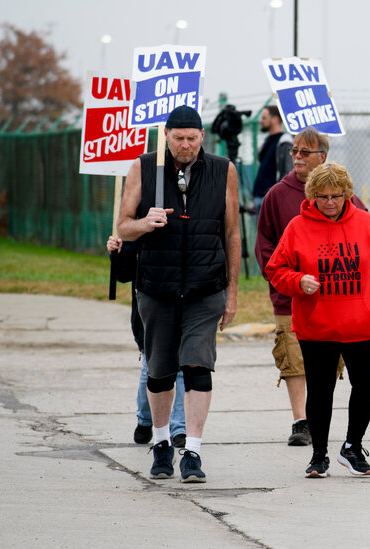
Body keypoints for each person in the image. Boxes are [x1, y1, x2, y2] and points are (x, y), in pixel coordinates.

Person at [117, 105, 241, 483]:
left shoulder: (223, 170)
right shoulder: (144, 167)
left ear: (202, 136)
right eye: (178, 138)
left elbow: (232, 233)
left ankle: (193, 452)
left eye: (192, 138)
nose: (185, 145)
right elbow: (123, 227)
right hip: (157, 287)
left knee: (199, 368)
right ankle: (160, 445)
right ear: (166, 135)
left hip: (206, 288)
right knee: (159, 372)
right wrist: (145, 222)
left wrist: (232, 293)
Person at [265, 161, 370, 479]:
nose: (329, 202)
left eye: (336, 196)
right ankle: (319, 456)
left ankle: (352, 447)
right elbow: (277, 270)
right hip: (317, 325)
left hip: (361, 323)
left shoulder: (365, 224)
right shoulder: (298, 227)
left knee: (366, 385)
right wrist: (299, 281)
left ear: (347, 194)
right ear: (312, 195)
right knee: (320, 390)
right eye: (323, 196)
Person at [255, 128, 368, 446]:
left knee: (326, 361)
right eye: (294, 151)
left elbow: (363, 235)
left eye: (306, 152)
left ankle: (320, 415)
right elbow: (265, 244)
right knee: (293, 358)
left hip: (334, 301)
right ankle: (300, 421)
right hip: (289, 297)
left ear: (323, 157)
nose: (298, 157)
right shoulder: (278, 194)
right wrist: (281, 281)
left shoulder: (343, 196)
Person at [106, 236, 186, 448]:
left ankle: (179, 428)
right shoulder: (142, 227)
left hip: (184, 304)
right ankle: (145, 420)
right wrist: (117, 252)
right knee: (152, 368)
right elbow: (123, 273)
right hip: (150, 311)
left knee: (182, 368)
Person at [252, 105, 294, 211]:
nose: (261, 121)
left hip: (272, 198)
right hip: (259, 196)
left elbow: (287, 170)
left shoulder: (285, 141)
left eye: (264, 118)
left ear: (275, 119)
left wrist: (278, 194)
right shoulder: (266, 141)